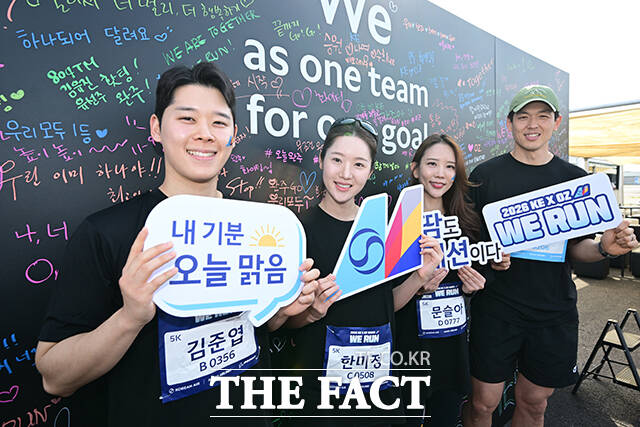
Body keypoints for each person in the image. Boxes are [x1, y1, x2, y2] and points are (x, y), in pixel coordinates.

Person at [35, 63, 319, 427]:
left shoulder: (260, 230)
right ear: (157, 128)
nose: (205, 134)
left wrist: (281, 308)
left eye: (219, 123)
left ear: (233, 136)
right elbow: (55, 377)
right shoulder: (107, 232)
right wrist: (129, 318)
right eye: (187, 118)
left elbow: (256, 329)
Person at [463, 85, 638, 427]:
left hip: (553, 311)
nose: (533, 124)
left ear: (556, 122)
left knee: (535, 403)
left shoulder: (574, 180)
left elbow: (577, 249)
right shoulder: (485, 176)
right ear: (510, 123)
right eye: (523, 116)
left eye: (542, 116)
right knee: (483, 404)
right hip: (496, 308)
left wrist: (604, 249)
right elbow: (469, 244)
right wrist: (487, 257)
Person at [279, 117, 443, 426]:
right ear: (321, 160)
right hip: (319, 395)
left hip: (377, 390)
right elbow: (282, 323)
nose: (345, 173)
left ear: (370, 171)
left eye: (358, 164)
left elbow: (386, 305)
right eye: (337, 160)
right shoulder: (296, 231)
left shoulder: (386, 227)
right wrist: (312, 312)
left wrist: (419, 276)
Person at [394, 134, 497, 427]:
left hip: (452, 344)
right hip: (409, 345)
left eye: (450, 166)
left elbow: (480, 272)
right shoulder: (397, 221)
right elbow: (385, 297)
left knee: (445, 417)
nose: (441, 173)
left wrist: (473, 287)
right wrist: (417, 285)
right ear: (415, 169)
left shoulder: (467, 220)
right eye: (432, 164)